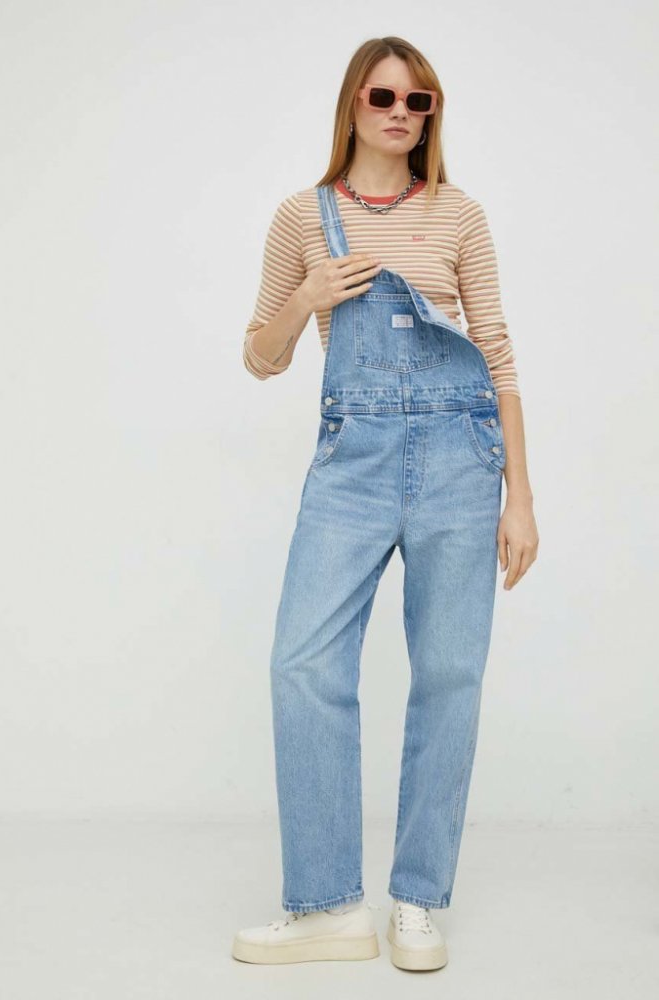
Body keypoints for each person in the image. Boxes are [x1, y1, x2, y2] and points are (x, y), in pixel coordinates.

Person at [232, 36, 539, 972]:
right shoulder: (303, 215)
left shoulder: (458, 214)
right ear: (353, 106)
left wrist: (520, 497)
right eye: (384, 97)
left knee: (449, 674)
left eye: (419, 101)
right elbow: (261, 356)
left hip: (460, 460)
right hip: (352, 463)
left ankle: (416, 900)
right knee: (302, 665)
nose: (401, 113)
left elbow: (497, 352)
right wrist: (308, 295)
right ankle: (327, 905)